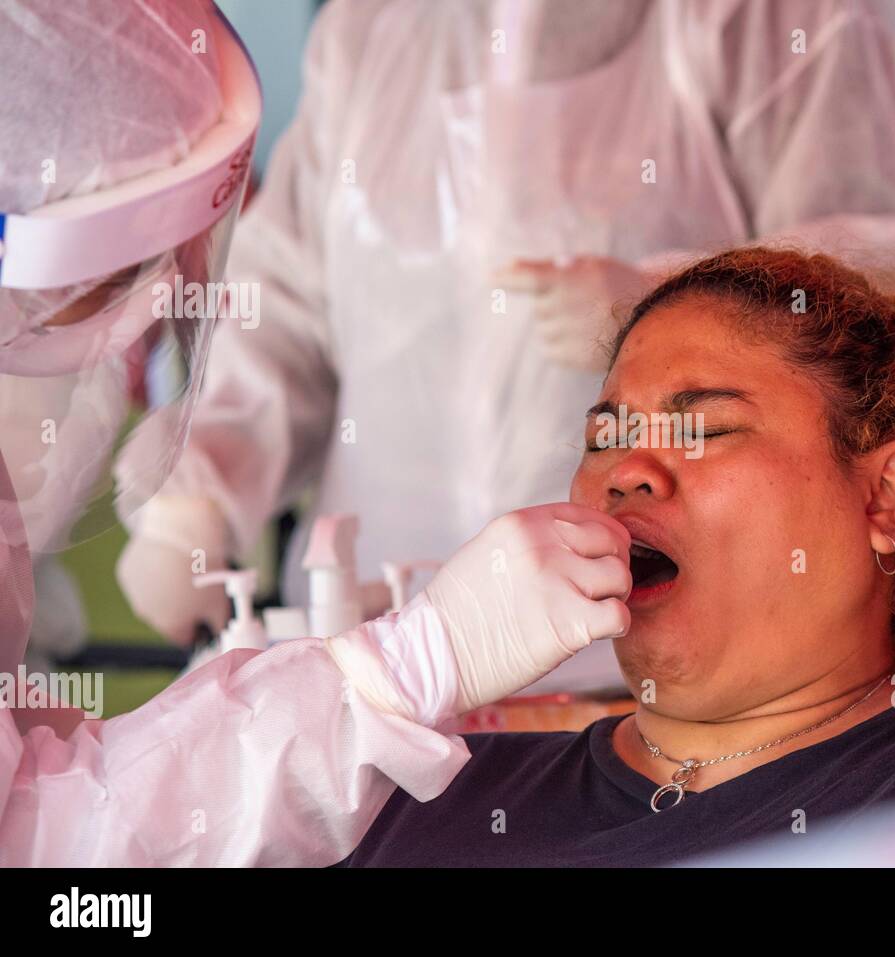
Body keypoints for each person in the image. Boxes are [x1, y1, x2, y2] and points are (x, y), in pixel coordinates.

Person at [118, 0, 895, 695]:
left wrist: (668, 298)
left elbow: (884, 276)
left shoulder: (782, 17)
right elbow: (286, 307)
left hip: (664, 668)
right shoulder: (370, 29)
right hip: (388, 665)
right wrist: (197, 496)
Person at [0, 0, 631, 866]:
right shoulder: (375, 32)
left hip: (585, 674)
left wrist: (664, 290)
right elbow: (58, 850)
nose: (148, 310)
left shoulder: (764, 22)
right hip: (385, 633)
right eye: (115, 271)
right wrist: (403, 665)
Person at [340, 247, 895, 867]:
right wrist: (396, 670)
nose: (626, 471)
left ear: (885, 497)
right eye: (604, 435)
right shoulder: (434, 787)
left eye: (704, 427)